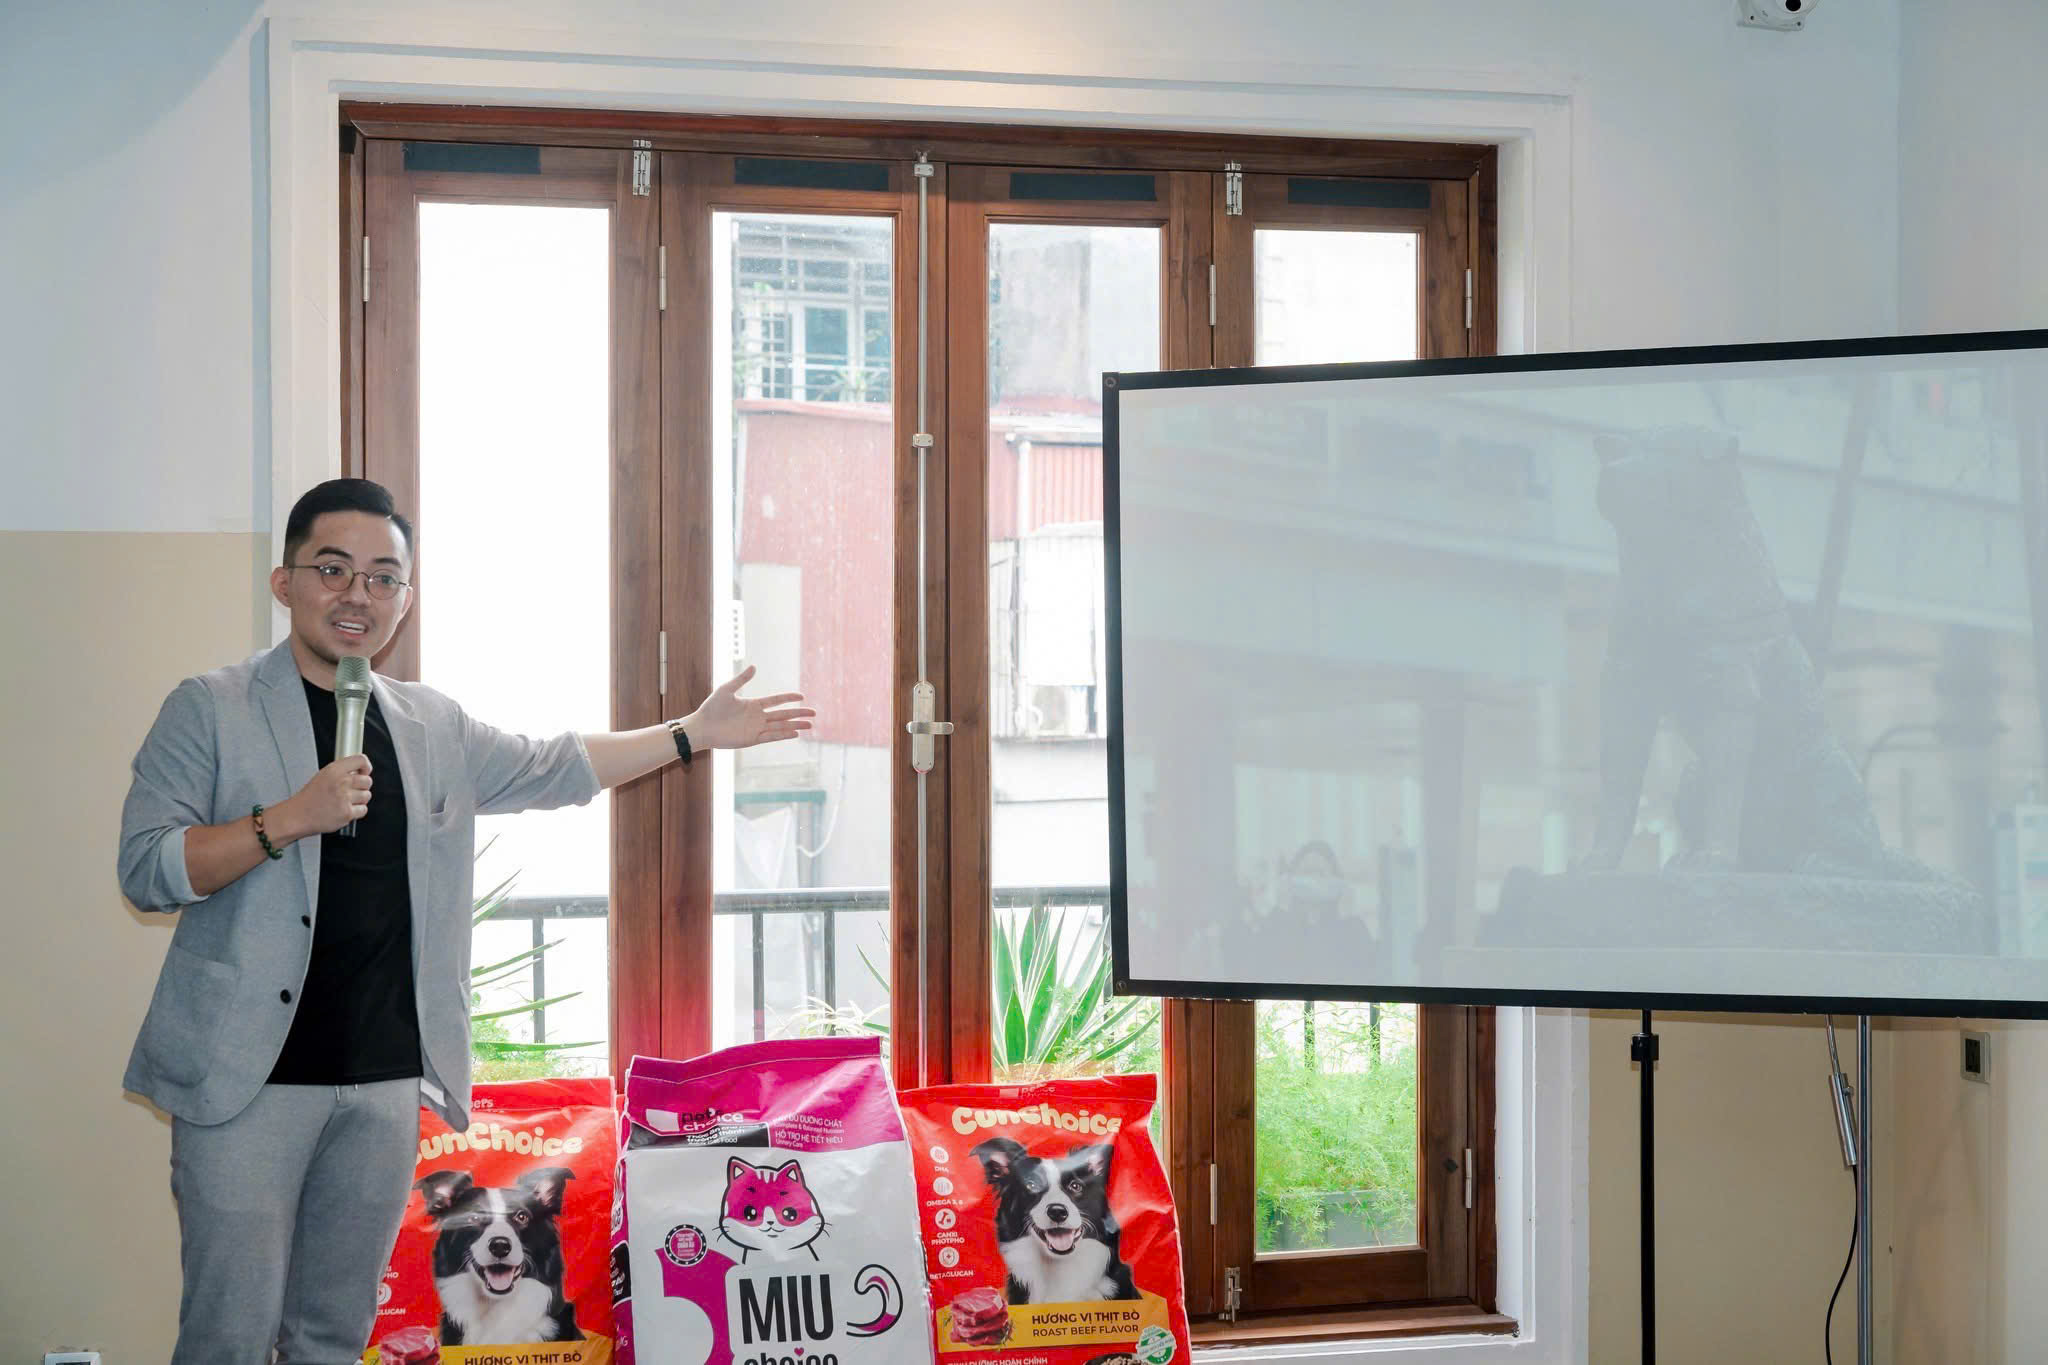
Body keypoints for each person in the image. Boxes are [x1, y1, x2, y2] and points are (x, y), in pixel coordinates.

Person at [118, 477, 812, 1362]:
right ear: (284, 582)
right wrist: (287, 818)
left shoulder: (429, 722)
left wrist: (691, 733)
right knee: (229, 1334)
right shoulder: (210, 706)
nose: (358, 594)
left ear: (404, 599)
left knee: (332, 1335)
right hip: (244, 1083)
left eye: (383, 577)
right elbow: (147, 868)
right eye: (333, 569)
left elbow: (555, 766)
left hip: (381, 1084)